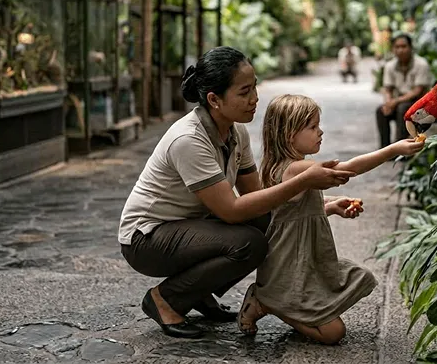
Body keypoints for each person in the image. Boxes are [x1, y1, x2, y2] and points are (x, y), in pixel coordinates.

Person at [118, 47, 356, 339]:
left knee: (263, 223)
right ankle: (165, 299)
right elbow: (232, 210)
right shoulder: (188, 140)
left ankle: (197, 294)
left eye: (254, 87)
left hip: (190, 229)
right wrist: (304, 180)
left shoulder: (235, 132)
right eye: (244, 92)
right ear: (214, 100)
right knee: (249, 243)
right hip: (147, 239)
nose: (255, 98)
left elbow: (257, 195)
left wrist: (326, 205)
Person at [236, 95, 424, 344]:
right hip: (291, 262)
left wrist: (332, 207)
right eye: (312, 127)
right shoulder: (296, 169)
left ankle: (275, 302)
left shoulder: (287, 166)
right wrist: (392, 149)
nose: (320, 132)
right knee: (334, 333)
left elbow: (294, 216)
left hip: (302, 256)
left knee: (342, 298)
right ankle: (265, 303)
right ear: (289, 134)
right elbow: (349, 169)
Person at [376, 33, 432, 148]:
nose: (400, 50)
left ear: (410, 48)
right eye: (397, 47)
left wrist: (395, 102)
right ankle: (384, 148)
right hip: (399, 101)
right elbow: (388, 89)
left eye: (404, 46)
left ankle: (400, 147)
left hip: (419, 104)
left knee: (403, 109)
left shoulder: (421, 64)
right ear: (393, 49)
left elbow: (418, 90)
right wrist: (388, 103)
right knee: (381, 111)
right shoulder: (390, 66)